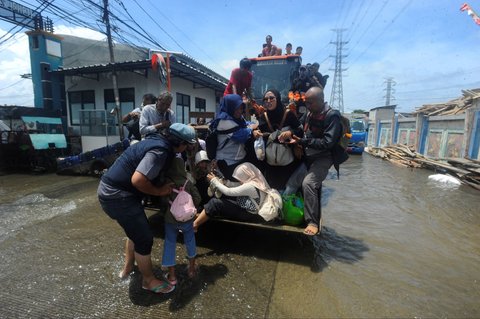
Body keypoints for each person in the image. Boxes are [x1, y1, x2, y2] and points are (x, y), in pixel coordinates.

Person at [97, 123, 197, 294]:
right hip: (118, 196)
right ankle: (148, 280)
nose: (186, 148)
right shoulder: (160, 151)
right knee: (144, 238)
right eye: (186, 145)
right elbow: (138, 180)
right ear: (179, 143)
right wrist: (160, 191)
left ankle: (128, 269)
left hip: (107, 190)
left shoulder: (154, 138)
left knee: (134, 232)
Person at [287, 87, 347, 236]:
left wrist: (303, 142)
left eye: (311, 103)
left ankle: (312, 221)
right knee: (292, 183)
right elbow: (300, 129)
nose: (308, 105)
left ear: (321, 100)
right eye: (306, 102)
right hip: (308, 155)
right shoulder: (309, 113)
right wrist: (291, 133)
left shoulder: (332, 116)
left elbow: (328, 142)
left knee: (309, 183)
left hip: (324, 157)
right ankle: (287, 211)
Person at [193, 162, 273, 231]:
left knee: (215, 203)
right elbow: (235, 185)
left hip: (249, 215)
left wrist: (214, 181)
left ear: (246, 175)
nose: (239, 181)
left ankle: (194, 225)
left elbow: (228, 192)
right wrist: (225, 182)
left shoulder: (250, 187)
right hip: (250, 211)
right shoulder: (257, 182)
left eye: (240, 178)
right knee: (221, 200)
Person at [162, 157, 202, 285]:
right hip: (187, 220)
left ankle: (172, 276)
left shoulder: (166, 183)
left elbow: (162, 202)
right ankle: (191, 269)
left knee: (170, 243)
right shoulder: (187, 182)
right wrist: (189, 207)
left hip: (170, 220)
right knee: (190, 240)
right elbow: (198, 198)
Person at [254, 89, 303, 189]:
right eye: (265, 99)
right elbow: (257, 129)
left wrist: (290, 133)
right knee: (272, 189)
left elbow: (300, 130)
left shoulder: (288, 114)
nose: (268, 101)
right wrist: (254, 132)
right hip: (270, 162)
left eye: (271, 98)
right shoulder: (264, 116)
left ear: (278, 98)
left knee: (287, 189)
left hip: (288, 161)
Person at [210, 94, 262, 180]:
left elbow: (246, 124)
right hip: (227, 162)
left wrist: (251, 125)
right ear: (229, 107)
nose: (239, 111)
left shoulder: (236, 118)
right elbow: (241, 136)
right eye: (236, 108)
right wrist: (252, 129)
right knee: (231, 187)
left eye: (241, 108)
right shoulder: (224, 121)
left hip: (238, 159)